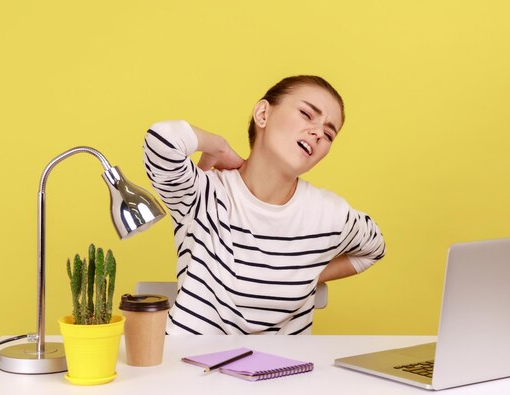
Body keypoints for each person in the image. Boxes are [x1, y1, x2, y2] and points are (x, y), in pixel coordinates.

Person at [143, 75, 385, 335]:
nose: (317, 133)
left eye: (328, 134)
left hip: (283, 372)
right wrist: (219, 146)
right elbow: (163, 139)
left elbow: (374, 248)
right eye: (306, 114)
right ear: (262, 114)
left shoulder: (329, 214)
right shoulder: (203, 193)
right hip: (186, 367)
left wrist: (308, 274)